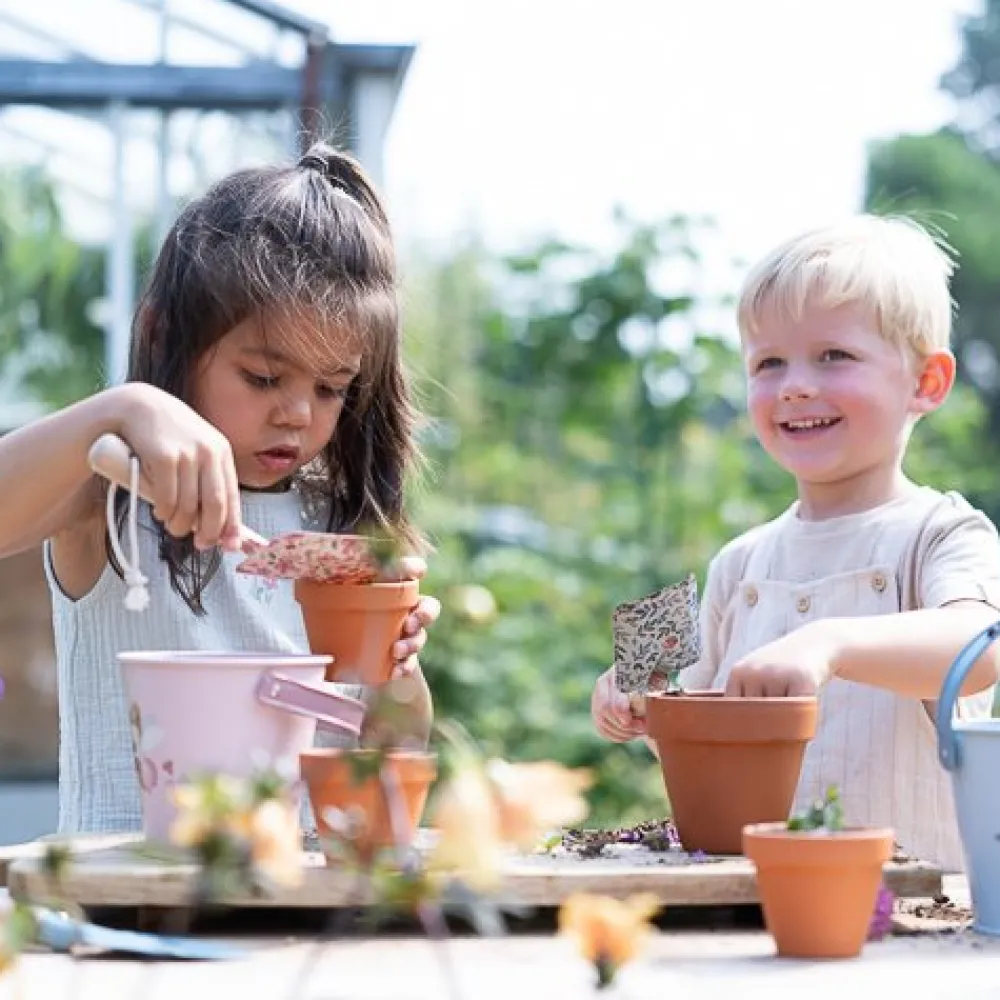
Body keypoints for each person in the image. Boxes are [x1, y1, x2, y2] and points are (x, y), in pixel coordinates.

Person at [0, 142, 440, 835]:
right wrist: (125, 408)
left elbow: (386, 750)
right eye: (264, 378)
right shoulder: (113, 488)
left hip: (292, 892)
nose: (296, 413)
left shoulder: (336, 523)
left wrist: (395, 667)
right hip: (126, 890)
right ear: (162, 336)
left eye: (331, 388)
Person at [591, 215, 1000, 870]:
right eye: (769, 362)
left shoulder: (942, 532)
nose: (795, 385)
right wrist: (635, 695)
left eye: (834, 356)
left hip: (910, 905)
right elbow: (690, 724)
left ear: (926, 382)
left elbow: (978, 648)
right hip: (751, 896)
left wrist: (829, 643)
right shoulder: (740, 561)